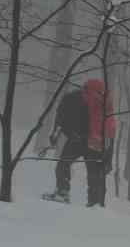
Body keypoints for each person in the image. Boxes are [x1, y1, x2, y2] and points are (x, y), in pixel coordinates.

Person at [43, 79, 117, 207]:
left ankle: (63, 192)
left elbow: (61, 117)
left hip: (76, 140)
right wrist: (108, 158)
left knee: (63, 165)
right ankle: (95, 202)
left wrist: (57, 134)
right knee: (94, 174)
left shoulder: (73, 97)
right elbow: (110, 132)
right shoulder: (105, 104)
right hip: (96, 143)